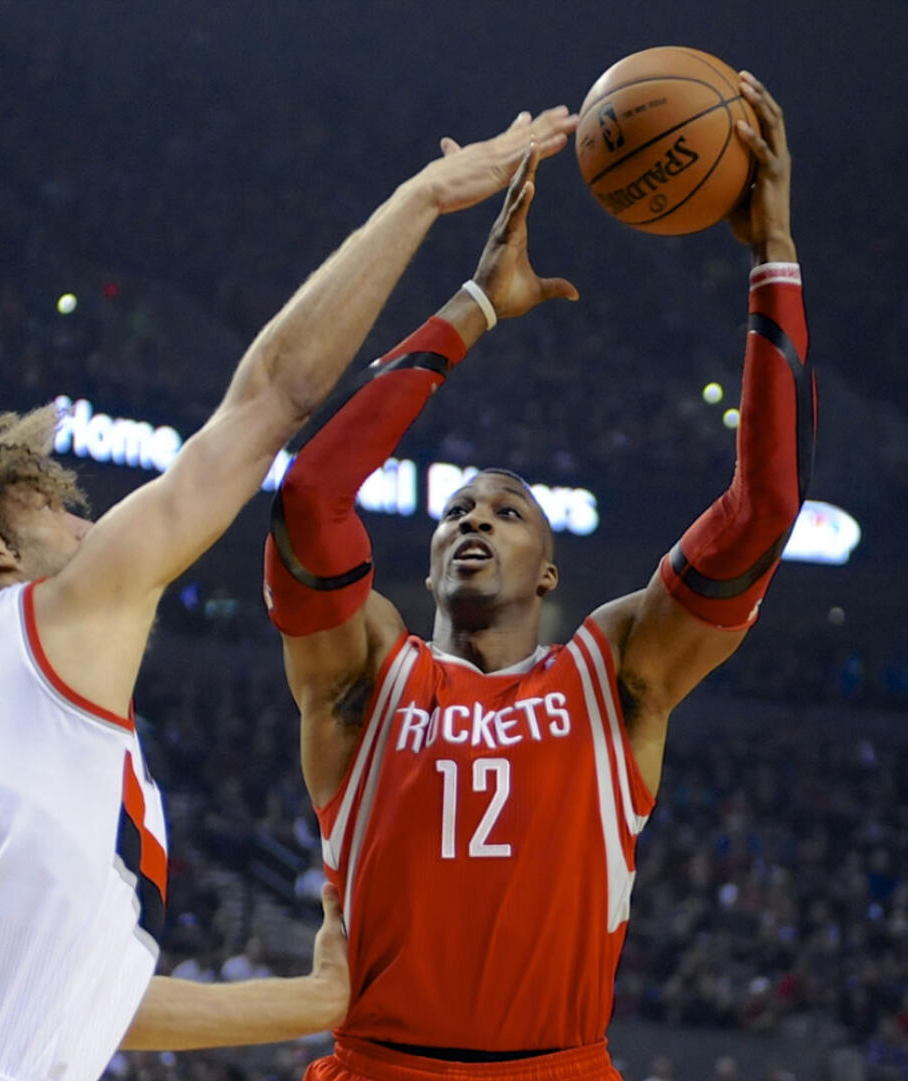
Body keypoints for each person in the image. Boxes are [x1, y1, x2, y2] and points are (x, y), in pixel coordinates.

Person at [0, 106, 580, 1081]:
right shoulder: (54, 616)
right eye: (53, 507)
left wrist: (313, 1002)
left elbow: (75, 1004)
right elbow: (269, 400)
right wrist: (423, 201)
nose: (89, 527)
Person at [263, 74, 811, 1081]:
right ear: (427, 554)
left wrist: (770, 253)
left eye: (505, 509)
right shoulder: (360, 679)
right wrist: (473, 307)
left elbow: (763, 508)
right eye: (455, 510)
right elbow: (310, 497)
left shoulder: (611, 673)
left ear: (548, 567)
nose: (473, 515)